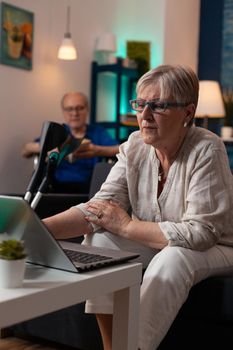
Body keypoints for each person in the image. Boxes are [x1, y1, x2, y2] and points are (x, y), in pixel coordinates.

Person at [42, 65, 233, 350]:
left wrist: (128, 226)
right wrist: (38, 229)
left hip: (220, 245)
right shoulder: (135, 146)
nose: (143, 116)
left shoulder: (207, 148)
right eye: (140, 104)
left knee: (175, 257)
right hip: (162, 240)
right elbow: (100, 207)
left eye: (158, 106)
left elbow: (201, 233)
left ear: (188, 113)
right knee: (102, 239)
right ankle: (113, 346)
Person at [21, 91, 119, 193]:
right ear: (63, 111)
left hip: (89, 187)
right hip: (54, 185)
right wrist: (48, 147)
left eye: (80, 108)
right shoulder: (58, 131)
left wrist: (97, 150)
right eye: (69, 109)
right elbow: (25, 150)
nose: (74, 113)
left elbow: (120, 149)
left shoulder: (97, 132)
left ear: (87, 109)